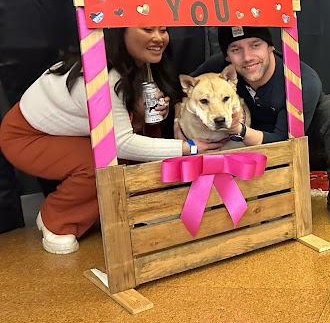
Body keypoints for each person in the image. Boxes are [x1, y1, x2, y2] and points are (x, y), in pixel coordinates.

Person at [0, 26, 222, 254]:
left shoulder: (141, 64)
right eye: (147, 29)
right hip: (26, 136)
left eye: (163, 30)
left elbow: (124, 125)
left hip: (71, 132)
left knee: (140, 146)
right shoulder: (101, 74)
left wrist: (148, 114)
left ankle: (136, 209)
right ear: (120, 32)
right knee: (101, 163)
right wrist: (189, 147)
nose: (158, 38)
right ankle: (56, 220)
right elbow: (121, 144)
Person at [191, 26, 330, 227]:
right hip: (254, 150)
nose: (247, 57)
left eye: (255, 45)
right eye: (236, 49)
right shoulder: (222, 69)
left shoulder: (302, 79)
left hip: (303, 143)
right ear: (227, 56)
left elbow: (283, 141)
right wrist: (177, 118)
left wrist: (238, 130)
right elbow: (184, 89)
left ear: (270, 47)